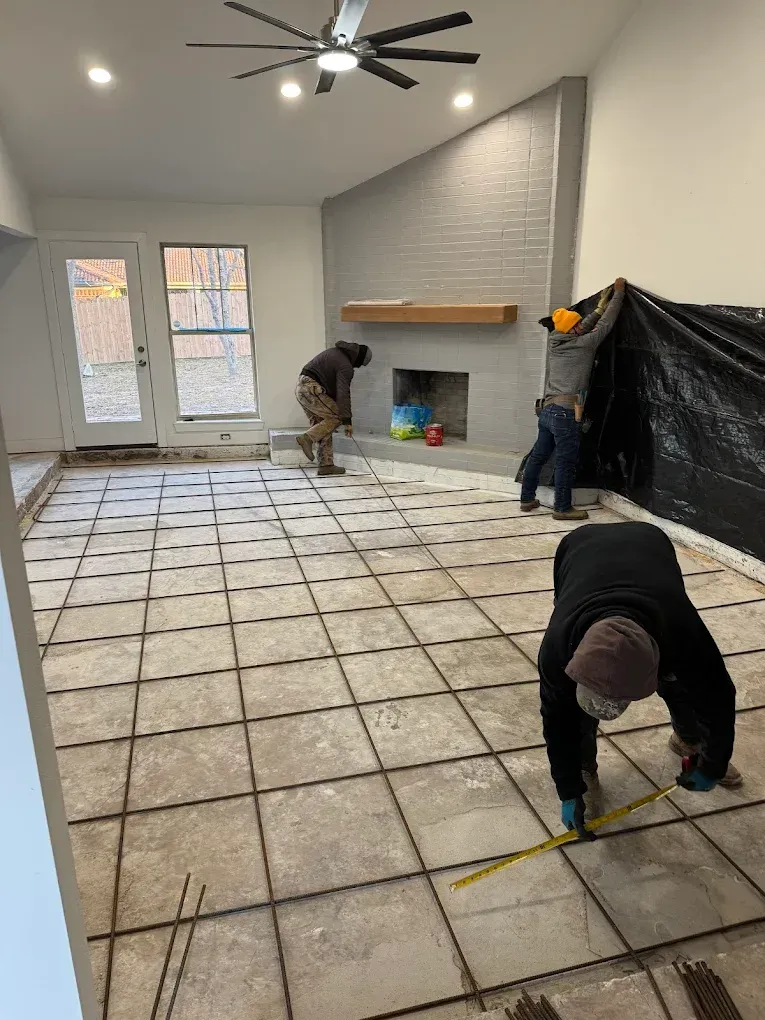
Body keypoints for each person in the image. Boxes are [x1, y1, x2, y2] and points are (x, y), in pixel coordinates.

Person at [539, 521, 741, 840]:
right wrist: (568, 788)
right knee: (573, 717)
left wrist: (712, 764)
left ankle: (689, 740)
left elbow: (717, 699)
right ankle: (585, 769)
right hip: (578, 549)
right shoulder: (558, 647)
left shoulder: (682, 633)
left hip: (649, 545)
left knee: (681, 683)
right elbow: (556, 720)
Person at [520, 278, 627, 521]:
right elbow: (606, 324)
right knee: (566, 462)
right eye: (577, 325)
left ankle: (527, 499)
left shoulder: (557, 340)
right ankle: (562, 508)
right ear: (573, 331)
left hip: (547, 411)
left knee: (539, 455)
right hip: (566, 413)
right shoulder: (584, 346)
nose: (582, 326)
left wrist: (597, 308)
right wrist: (618, 295)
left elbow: (582, 326)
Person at [295, 341, 372, 476]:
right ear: (358, 359)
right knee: (336, 417)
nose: (357, 367)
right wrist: (347, 421)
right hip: (312, 389)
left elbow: (335, 390)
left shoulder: (336, 353)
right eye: (360, 365)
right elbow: (343, 393)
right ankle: (307, 438)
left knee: (324, 425)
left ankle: (326, 465)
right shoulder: (345, 366)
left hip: (303, 388)